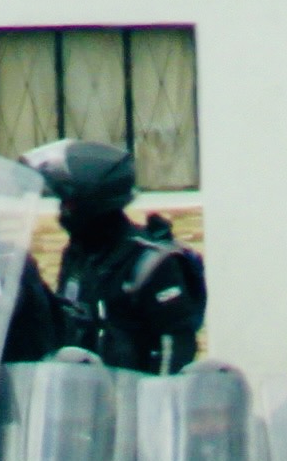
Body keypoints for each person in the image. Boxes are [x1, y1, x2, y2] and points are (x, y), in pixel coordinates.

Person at [20, 140, 204, 375]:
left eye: (69, 204)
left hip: (134, 392)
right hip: (81, 389)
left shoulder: (151, 263)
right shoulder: (77, 255)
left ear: (93, 203)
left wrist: (162, 394)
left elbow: (177, 345)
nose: (62, 211)